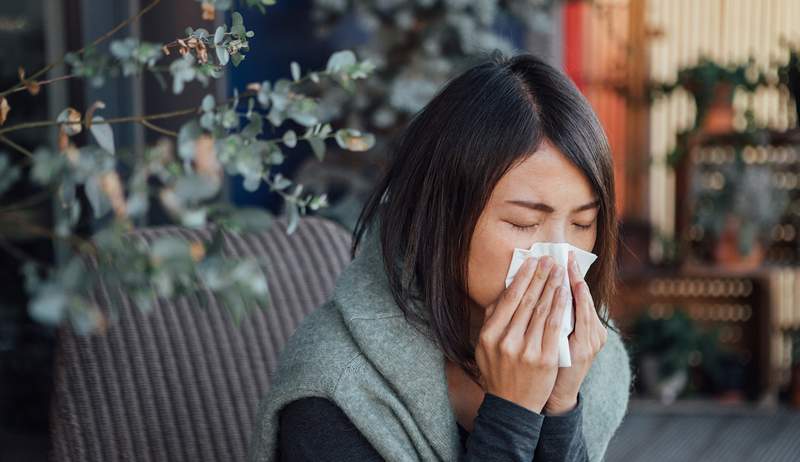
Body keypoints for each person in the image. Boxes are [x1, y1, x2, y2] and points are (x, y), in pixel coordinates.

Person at [248, 51, 632, 462]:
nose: (560, 257)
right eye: (523, 222)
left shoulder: (592, 358)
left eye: (582, 223)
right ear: (439, 218)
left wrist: (561, 409)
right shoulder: (337, 393)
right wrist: (512, 416)